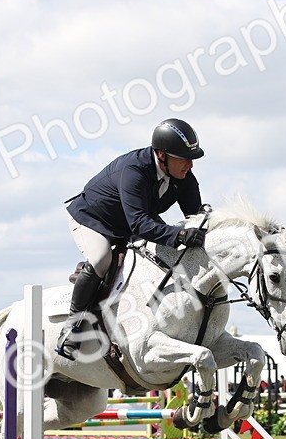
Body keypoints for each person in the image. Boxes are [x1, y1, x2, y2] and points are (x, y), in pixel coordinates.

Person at [56, 118, 208, 358]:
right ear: (161, 156)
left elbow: (195, 217)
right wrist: (178, 234)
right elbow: (140, 222)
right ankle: (72, 327)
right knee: (102, 258)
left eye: (192, 159)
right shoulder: (134, 171)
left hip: (129, 224)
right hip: (93, 220)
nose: (190, 165)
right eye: (184, 158)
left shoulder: (184, 178)